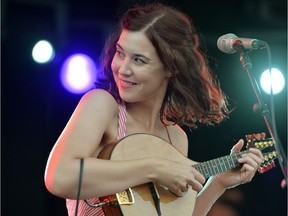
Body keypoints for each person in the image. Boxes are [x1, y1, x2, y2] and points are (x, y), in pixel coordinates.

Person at [44, 3, 264, 216]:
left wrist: (218, 183)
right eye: (120, 53)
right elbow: (59, 177)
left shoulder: (175, 138)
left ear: (170, 68)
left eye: (138, 60)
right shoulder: (103, 105)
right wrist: (154, 168)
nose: (123, 68)